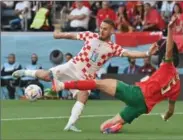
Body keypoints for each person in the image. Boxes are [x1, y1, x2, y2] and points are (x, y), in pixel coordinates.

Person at [12, 19, 156, 132]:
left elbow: (129, 53)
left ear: (112, 31)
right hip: (73, 66)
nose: (102, 30)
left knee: (83, 96)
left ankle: (70, 124)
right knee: (46, 75)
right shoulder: (90, 36)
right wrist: (58, 34)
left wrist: (147, 53)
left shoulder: (113, 48)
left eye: (105, 29)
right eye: (101, 27)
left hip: (86, 76)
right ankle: (23, 72)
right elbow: (71, 35)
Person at [52, 16, 180, 133]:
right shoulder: (177, 86)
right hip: (142, 108)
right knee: (103, 128)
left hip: (136, 94)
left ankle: (63, 85)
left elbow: (168, 50)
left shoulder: (168, 66)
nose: (162, 59)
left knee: (96, 83)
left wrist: (169, 29)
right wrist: (165, 116)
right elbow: (170, 111)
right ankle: (114, 127)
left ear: (168, 58)